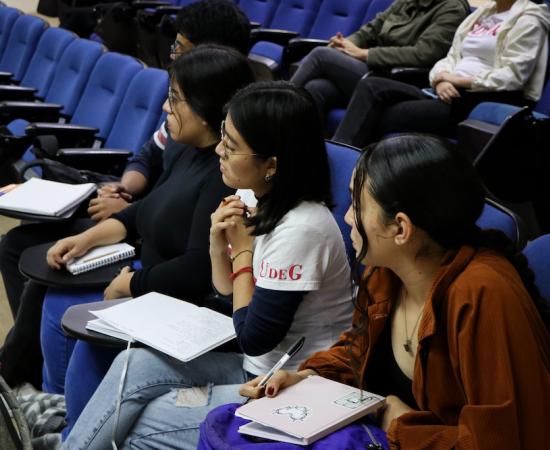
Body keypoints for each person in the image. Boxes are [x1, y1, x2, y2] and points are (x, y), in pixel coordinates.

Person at [61, 81, 354, 449]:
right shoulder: (255, 197)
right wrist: (219, 248)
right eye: (222, 138)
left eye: (231, 146)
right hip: (252, 366)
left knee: (137, 421)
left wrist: (243, 251)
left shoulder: (303, 228)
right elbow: (227, 293)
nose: (218, 150)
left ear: (271, 165)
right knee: (132, 365)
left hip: (289, 384)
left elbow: (255, 336)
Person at [236, 134, 550, 448]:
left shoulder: (484, 296)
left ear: (400, 229)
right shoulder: (387, 272)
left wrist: (403, 425)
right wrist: (306, 379)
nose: (347, 218)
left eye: (356, 205)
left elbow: (506, 441)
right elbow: (358, 351)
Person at [0, 0, 252, 390]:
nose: (166, 106)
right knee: (45, 277)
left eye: (176, 98)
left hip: (171, 295)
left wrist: (130, 284)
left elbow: (198, 268)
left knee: (56, 301)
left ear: (205, 111)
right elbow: (145, 207)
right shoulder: (183, 147)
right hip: (141, 263)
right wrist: (86, 238)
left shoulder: (223, 174)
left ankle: (40, 395)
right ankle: (36, 391)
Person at [333, 0, 550, 148]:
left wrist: (457, 80)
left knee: (374, 114)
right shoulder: (484, 14)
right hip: (442, 92)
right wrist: (440, 79)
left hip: (472, 102)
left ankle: (345, 168)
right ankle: (340, 156)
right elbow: (450, 57)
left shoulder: (529, 19)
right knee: (372, 86)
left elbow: (512, 76)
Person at [290, 0, 469, 118]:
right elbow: (370, 29)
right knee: (316, 89)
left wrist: (363, 53)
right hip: (369, 70)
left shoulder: (452, 7)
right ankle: (300, 153)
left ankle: (270, 115)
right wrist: (345, 44)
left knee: (321, 55)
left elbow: (423, 54)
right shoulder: (406, 1)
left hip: (397, 78)